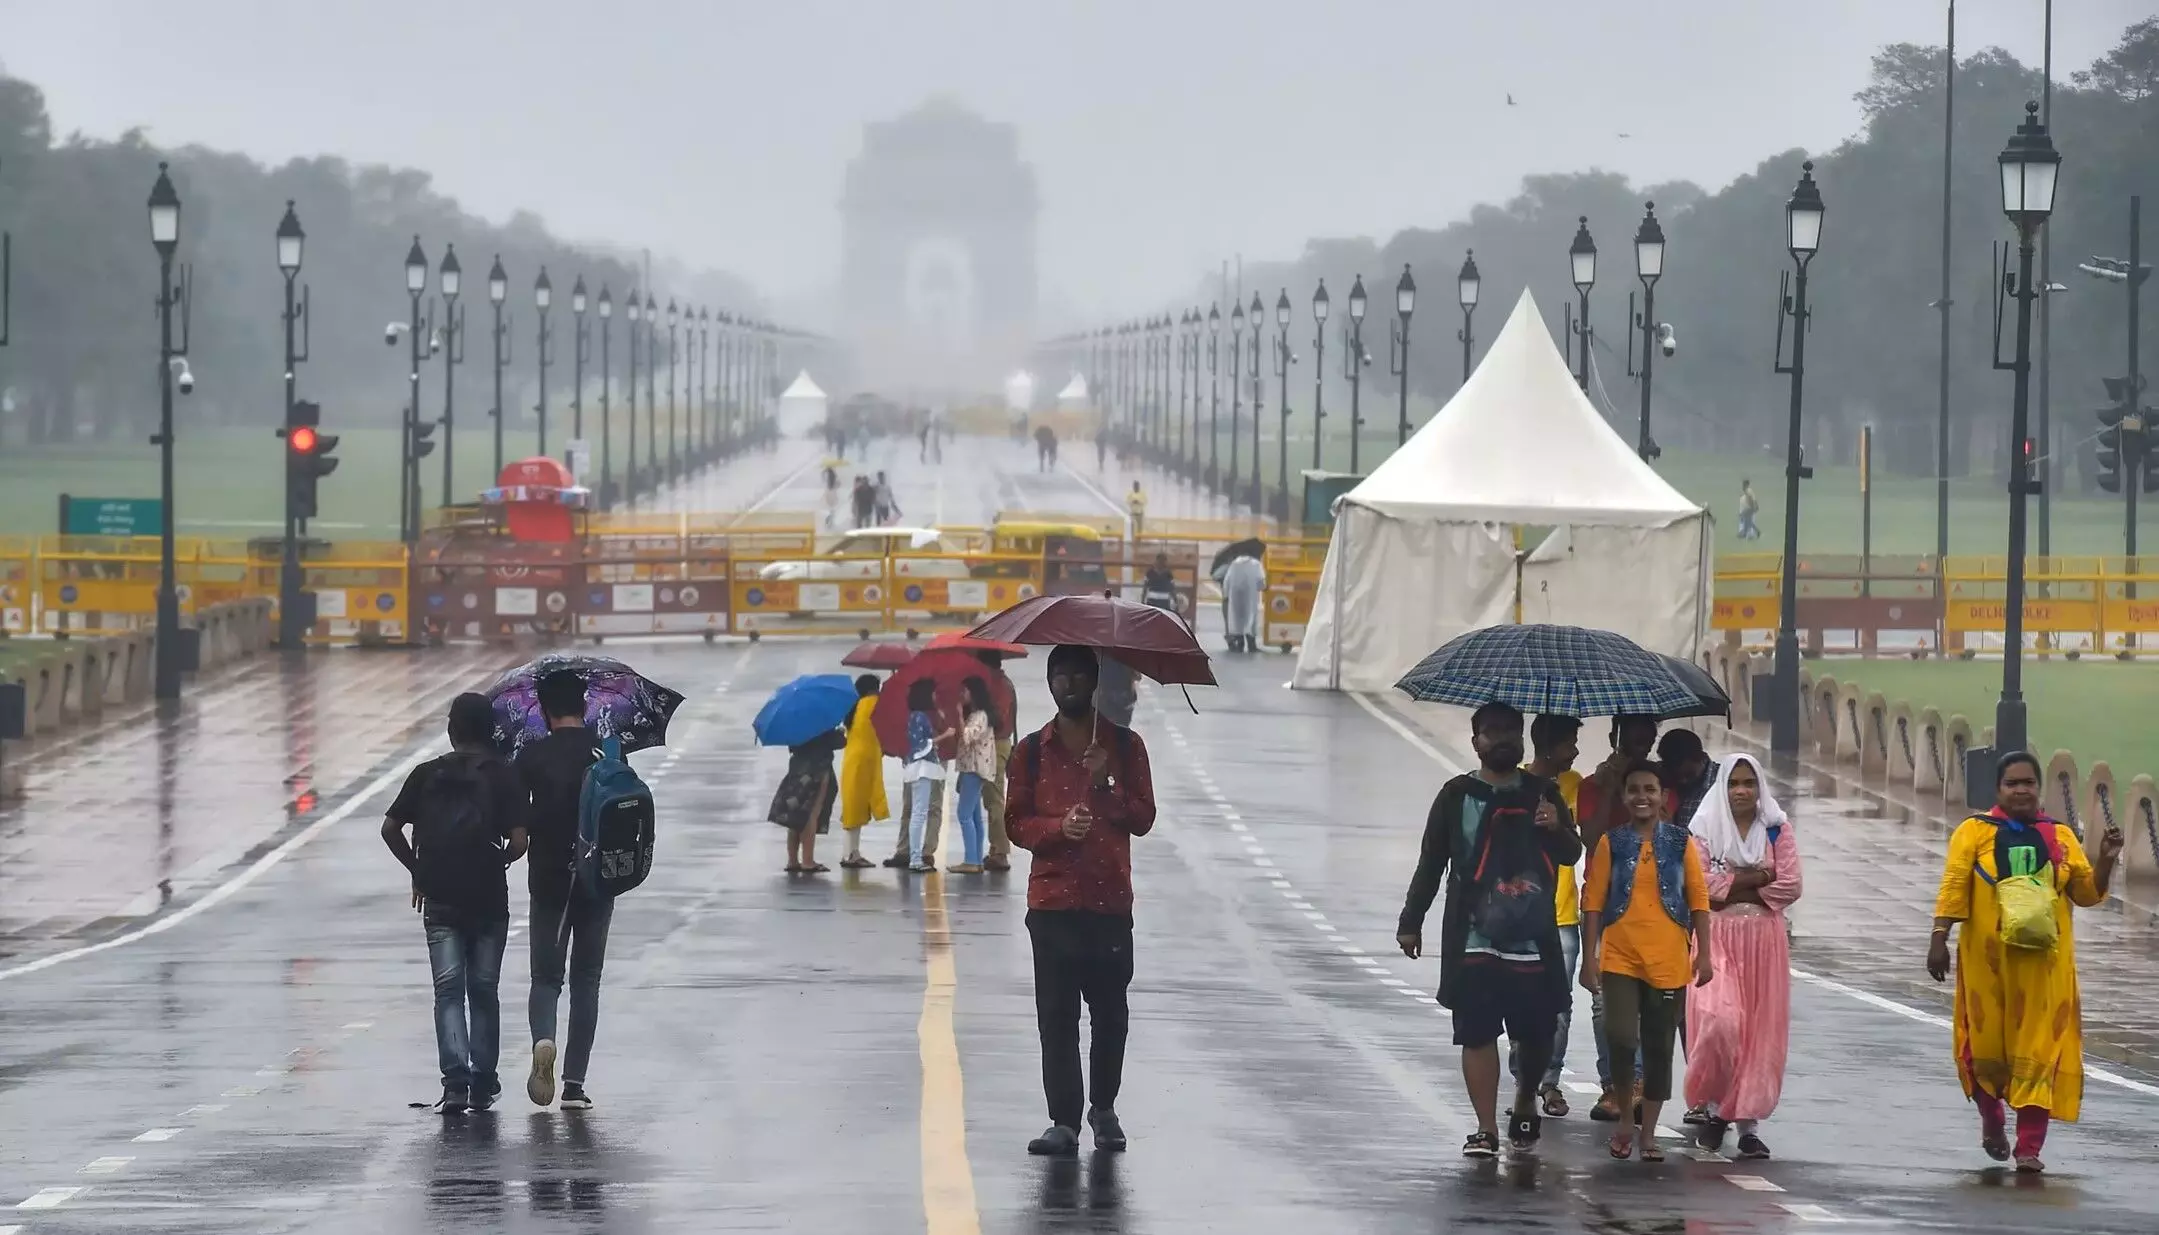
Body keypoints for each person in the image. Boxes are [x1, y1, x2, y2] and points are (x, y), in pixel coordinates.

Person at [1396, 701, 1581, 1157]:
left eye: (1510, 730)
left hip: (1534, 936)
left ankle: (1524, 1099)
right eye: (1492, 731)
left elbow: (1571, 854)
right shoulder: (1456, 795)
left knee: (1537, 1031)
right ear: (1475, 740)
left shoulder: (1543, 793)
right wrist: (1410, 921)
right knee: (1477, 1030)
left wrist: (1557, 827)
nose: (1502, 738)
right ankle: (1485, 1128)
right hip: (1472, 935)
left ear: (1522, 740)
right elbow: (1432, 861)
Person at [1929, 751, 2121, 1173]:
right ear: (1998, 789)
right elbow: (1954, 885)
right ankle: (1992, 1120)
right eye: (2012, 783)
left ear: (2039, 788)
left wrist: (2105, 860)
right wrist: (1939, 938)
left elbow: (2087, 894)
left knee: (2041, 1050)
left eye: (2028, 783)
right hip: (1986, 967)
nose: (2021, 790)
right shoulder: (1973, 832)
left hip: (2044, 969)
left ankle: (2029, 1147)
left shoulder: (2060, 836)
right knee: (1983, 1048)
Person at [1007, 645, 1157, 1156]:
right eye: (1058, 676)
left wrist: (1105, 781)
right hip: (1051, 904)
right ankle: (1064, 1120)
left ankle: (1105, 1109)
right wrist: (1057, 829)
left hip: (1108, 903)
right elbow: (1016, 823)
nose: (1066, 685)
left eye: (1076, 676)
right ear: (1049, 684)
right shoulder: (1030, 750)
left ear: (1093, 682)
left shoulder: (1126, 746)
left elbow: (1142, 817)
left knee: (1110, 1013)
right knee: (1056, 1016)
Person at [380, 692, 530, 1116]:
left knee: (448, 990)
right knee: (483, 989)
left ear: (451, 731)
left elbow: (390, 827)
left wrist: (417, 870)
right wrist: (500, 858)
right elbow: (520, 841)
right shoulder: (504, 775)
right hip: (487, 897)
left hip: (440, 896)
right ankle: (484, 1080)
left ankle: (455, 1082)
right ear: (490, 731)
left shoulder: (426, 774)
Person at [1580, 760, 1713, 1163]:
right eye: (1634, 789)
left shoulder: (1680, 842)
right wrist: (1590, 958)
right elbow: (1593, 902)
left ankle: (1649, 1132)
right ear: (1624, 797)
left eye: (1650, 790)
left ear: (1663, 798)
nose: (1642, 797)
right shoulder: (1611, 843)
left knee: (1658, 1049)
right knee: (1620, 1038)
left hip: (1670, 959)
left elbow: (1699, 899)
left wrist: (1704, 954)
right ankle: (1624, 1117)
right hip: (1620, 956)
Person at [1685, 754, 1802, 1159]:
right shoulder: (1703, 830)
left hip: (1763, 943)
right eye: (1733, 783)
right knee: (1721, 1022)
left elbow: (1790, 886)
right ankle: (1715, 1106)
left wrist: (1731, 884)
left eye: (1749, 783)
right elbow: (1703, 887)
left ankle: (1746, 1124)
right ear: (1722, 787)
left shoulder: (1775, 829)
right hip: (1716, 938)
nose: (1741, 791)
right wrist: (1755, 878)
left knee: (1757, 1033)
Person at [514, 670, 613, 1112]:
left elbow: (518, 821)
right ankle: (575, 1086)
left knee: (546, 978)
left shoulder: (531, 757)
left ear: (544, 709)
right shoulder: (608, 752)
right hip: (599, 878)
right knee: (587, 980)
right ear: (584, 703)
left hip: (549, 878)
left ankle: (544, 1041)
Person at [1571, 713, 1658, 1122]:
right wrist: (1609, 788)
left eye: (1647, 733)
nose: (1640, 740)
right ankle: (1613, 1084)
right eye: (1631, 733)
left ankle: (1637, 1082)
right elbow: (1589, 836)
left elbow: (1668, 836)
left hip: (1650, 904)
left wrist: (1638, 792)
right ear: (1614, 735)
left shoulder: (1657, 788)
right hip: (1603, 904)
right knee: (1603, 1001)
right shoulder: (1593, 785)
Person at [1510, 714, 1584, 1121]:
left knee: (1559, 1006)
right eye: (1570, 743)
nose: (1574, 751)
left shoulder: (1563, 791)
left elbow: (1573, 851)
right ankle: (1524, 1081)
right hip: (1519, 918)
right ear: (1550, 745)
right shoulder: (1511, 787)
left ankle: (1548, 1082)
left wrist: (1558, 825)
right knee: (1520, 1006)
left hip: (1561, 915)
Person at [770, 724, 845, 874]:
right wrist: (840, 734)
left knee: (795, 814)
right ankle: (808, 861)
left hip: (797, 767)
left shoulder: (795, 722)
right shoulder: (821, 719)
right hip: (817, 769)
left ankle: (792, 860)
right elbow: (835, 742)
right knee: (812, 814)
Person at [838, 675, 890, 870]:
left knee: (853, 807)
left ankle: (851, 852)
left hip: (853, 760)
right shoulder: (873, 704)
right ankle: (851, 855)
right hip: (864, 762)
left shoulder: (855, 706)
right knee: (856, 808)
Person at [903, 677, 954, 873]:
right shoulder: (920, 717)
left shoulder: (915, 716)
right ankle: (915, 858)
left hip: (918, 767)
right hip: (922, 768)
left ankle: (915, 856)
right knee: (919, 813)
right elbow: (923, 745)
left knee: (918, 812)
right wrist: (945, 735)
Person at [951, 677, 999, 874]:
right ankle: (976, 858)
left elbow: (968, 737)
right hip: (971, 767)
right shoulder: (978, 715)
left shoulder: (980, 716)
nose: (962, 695)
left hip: (974, 769)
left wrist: (959, 714)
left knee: (963, 815)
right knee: (974, 816)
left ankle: (971, 859)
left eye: (965, 691)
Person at [1657, 728, 1719, 829]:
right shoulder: (1658, 775)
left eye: (1689, 775)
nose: (1683, 781)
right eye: (1676, 776)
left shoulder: (1722, 781)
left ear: (1700, 758)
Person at [1218, 552, 1266, 654]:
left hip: (1236, 596)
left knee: (1237, 619)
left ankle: (1240, 644)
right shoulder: (1256, 564)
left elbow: (1227, 580)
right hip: (1250, 595)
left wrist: (1226, 594)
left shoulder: (1234, 564)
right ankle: (1251, 645)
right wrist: (1262, 587)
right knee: (1251, 618)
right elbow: (1261, 580)